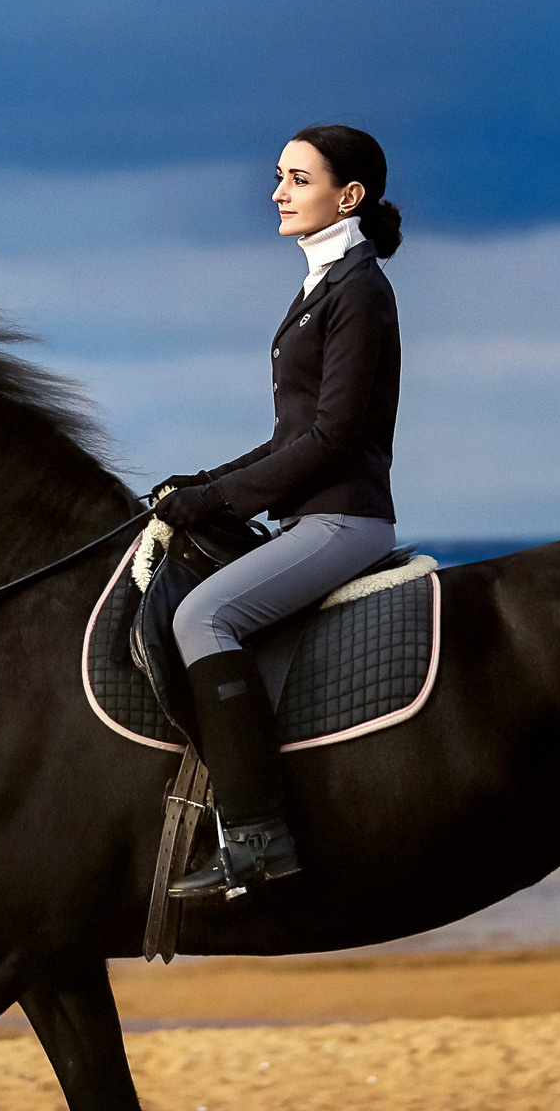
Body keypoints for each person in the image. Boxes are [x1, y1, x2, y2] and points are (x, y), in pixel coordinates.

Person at [148, 124, 404, 898]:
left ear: (347, 195)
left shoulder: (358, 290)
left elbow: (329, 439)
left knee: (202, 618)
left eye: (297, 180)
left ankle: (257, 834)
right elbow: (287, 437)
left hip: (343, 519)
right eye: (281, 178)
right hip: (307, 516)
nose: (278, 194)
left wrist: (217, 498)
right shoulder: (322, 286)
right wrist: (200, 484)